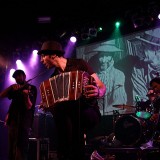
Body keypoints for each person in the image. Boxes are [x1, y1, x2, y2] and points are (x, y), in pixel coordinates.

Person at [37, 40, 106, 160]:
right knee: (62, 116)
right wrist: (48, 104)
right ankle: (69, 153)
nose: (41, 60)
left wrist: (98, 91)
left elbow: (101, 85)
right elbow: (56, 107)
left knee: (70, 114)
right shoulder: (53, 78)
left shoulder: (79, 64)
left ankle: (69, 152)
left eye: (43, 56)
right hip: (69, 120)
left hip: (88, 112)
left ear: (53, 55)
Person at [0, 69, 37, 160]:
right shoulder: (15, 89)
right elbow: (2, 96)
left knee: (21, 149)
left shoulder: (31, 88)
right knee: (12, 149)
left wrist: (26, 96)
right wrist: (11, 87)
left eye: (19, 76)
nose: (17, 78)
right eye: (15, 77)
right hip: (12, 122)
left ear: (24, 76)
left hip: (24, 123)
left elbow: (29, 106)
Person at [88, 42, 127, 115]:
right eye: (101, 56)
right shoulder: (94, 76)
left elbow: (119, 102)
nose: (103, 60)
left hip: (111, 115)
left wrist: (103, 112)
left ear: (112, 56)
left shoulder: (118, 74)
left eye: (107, 56)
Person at [131, 27, 160, 102]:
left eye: (144, 46)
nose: (140, 49)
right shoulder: (138, 69)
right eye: (142, 46)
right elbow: (138, 97)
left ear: (156, 49)